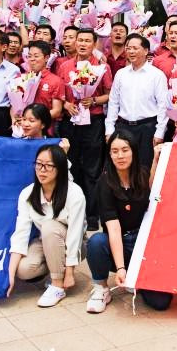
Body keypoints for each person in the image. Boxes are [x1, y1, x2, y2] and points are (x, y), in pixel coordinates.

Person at [85, 132, 173, 313]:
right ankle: (101, 288)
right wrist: (121, 268)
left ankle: (138, 280)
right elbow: (114, 228)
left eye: (125, 150)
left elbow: (153, 189)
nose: (120, 156)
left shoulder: (141, 174)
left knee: (161, 302)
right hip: (118, 243)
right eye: (115, 151)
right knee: (96, 242)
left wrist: (157, 160)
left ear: (133, 151)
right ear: (109, 154)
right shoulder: (105, 182)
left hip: (142, 244)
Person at [8, 144, 86, 307]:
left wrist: (70, 272)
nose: (42, 170)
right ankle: (55, 270)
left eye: (49, 166)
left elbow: (75, 233)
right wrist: (10, 275)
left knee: (50, 227)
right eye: (38, 164)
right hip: (45, 240)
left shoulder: (74, 193)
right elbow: (20, 233)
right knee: (24, 269)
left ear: (60, 168)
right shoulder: (27, 194)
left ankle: (57, 285)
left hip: (75, 243)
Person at [58, 28, 113, 231]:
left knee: (92, 169)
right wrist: (66, 105)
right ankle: (72, 212)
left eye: (87, 41)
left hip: (94, 121)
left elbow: (109, 93)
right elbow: (60, 94)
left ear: (94, 44)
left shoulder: (102, 68)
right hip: (71, 121)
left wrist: (94, 100)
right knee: (72, 167)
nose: (82, 44)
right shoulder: (64, 66)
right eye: (79, 40)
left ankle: (91, 214)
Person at [106, 34, 169, 171]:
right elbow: (113, 102)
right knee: (122, 167)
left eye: (135, 48)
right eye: (128, 48)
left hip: (147, 128)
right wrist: (109, 128)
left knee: (144, 168)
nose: (131, 52)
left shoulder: (157, 75)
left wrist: (160, 132)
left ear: (146, 51)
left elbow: (163, 106)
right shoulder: (121, 74)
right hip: (123, 127)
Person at [24, 41, 65, 126]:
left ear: (46, 58)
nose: (32, 59)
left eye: (36, 56)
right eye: (29, 56)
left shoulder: (55, 81)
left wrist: (35, 120)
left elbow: (56, 111)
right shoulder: (22, 79)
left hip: (45, 129)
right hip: (23, 127)